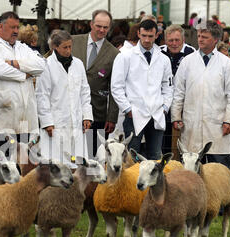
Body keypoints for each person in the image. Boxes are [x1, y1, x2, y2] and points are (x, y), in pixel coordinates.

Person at [172, 21, 230, 170]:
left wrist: (229, 121)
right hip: (191, 126)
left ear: (215, 39)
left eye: (205, 36)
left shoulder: (227, 64)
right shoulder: (187, 62)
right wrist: (176, 116)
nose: (200, 39)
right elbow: (178, 92)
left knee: (219, 172)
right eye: (199, 36)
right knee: (191, 174)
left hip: (218, 127)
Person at [0, 11, 45, 167]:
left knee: (19, 165)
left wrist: (14, 63)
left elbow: (41, 65)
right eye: (12, 27)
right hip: (0, 119)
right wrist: (25, 74)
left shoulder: (23, 48)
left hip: (24, 119)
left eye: (17, 27)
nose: (16, 31)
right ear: (0, 27)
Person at [111, 19, 173, 160]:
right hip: (134, 113)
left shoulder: (163, 59)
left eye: (150, 36)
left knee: (156, 157)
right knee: (132, 157)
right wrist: (127, 109)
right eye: (143, 35)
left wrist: (164, 107)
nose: (146, 40)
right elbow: (116, 86)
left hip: (156, 113)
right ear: (138, 33)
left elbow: (168, 87)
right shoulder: (125, 56)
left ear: (156, 35)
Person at [36, 30, 92, 164]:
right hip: (56, 122)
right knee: (56, 163)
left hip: (76, 120)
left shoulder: (78, 64)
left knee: (78, 163)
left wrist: (87, 115)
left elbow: (85, 91)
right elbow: (42, 95)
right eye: (64, 47)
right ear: (55, 47)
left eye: (70, 47)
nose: (68, 51)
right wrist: (47, 122)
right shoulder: (46, 65)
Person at [72, 9, 119, 156]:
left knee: (93, 158)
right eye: (98, 26)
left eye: (105, 27)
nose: (101, 30)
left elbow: (115, 87)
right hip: (70, 110)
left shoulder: (114, 54)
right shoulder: (72, 41)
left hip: (97, 113)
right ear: (91, 24)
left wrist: (111, 118)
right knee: (71, 156)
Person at [159, 24, 195, 156]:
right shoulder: (159, 52)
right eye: (170, 40)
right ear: (165, 40)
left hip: (185, 105)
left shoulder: (191, 53)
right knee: (164, 143)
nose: (174, 43)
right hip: (163, 104)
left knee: (183, 145)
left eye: (177, 40)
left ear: (183, 40)